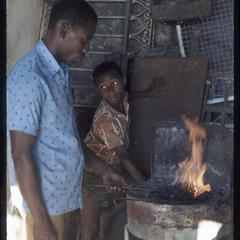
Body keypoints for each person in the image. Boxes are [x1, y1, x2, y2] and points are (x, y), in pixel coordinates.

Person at [7, 1, 125, 240]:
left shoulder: (58, 74)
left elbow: (63, 139)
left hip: (66, 200)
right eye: (84, 40)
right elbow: (20, 155)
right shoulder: (30, 78)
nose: (86, 49)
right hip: (43, 210)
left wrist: (102, 168)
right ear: (63, 30)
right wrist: (40, 222)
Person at [82, 61, 165, 240]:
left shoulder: (121, 99)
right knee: (90, 227)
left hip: (112, 166)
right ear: (99, 91)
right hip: (93, 171)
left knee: (136, 191)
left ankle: (109, 214)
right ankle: (101, 219)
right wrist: (149, 189)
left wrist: (147, 93)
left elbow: (128, 96)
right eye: (104, 87)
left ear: (124, 81)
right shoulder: (106, 121)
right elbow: (125, 157)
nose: (110, 91)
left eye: (114, 83)